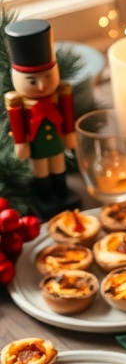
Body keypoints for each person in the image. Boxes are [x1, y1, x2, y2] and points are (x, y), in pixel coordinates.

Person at [4, 19, 76, 218]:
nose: (42, 87)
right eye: (33, 81)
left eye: (47, 78)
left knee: (58, 166)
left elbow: (67, 116)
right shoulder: (19, 104)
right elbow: (18, 124)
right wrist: (21, 143)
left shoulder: (60, 95)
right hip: (36, 146)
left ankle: (61, 193)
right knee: (41, 170)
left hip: (57, 142)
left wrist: (70, 133)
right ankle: (46, 198)